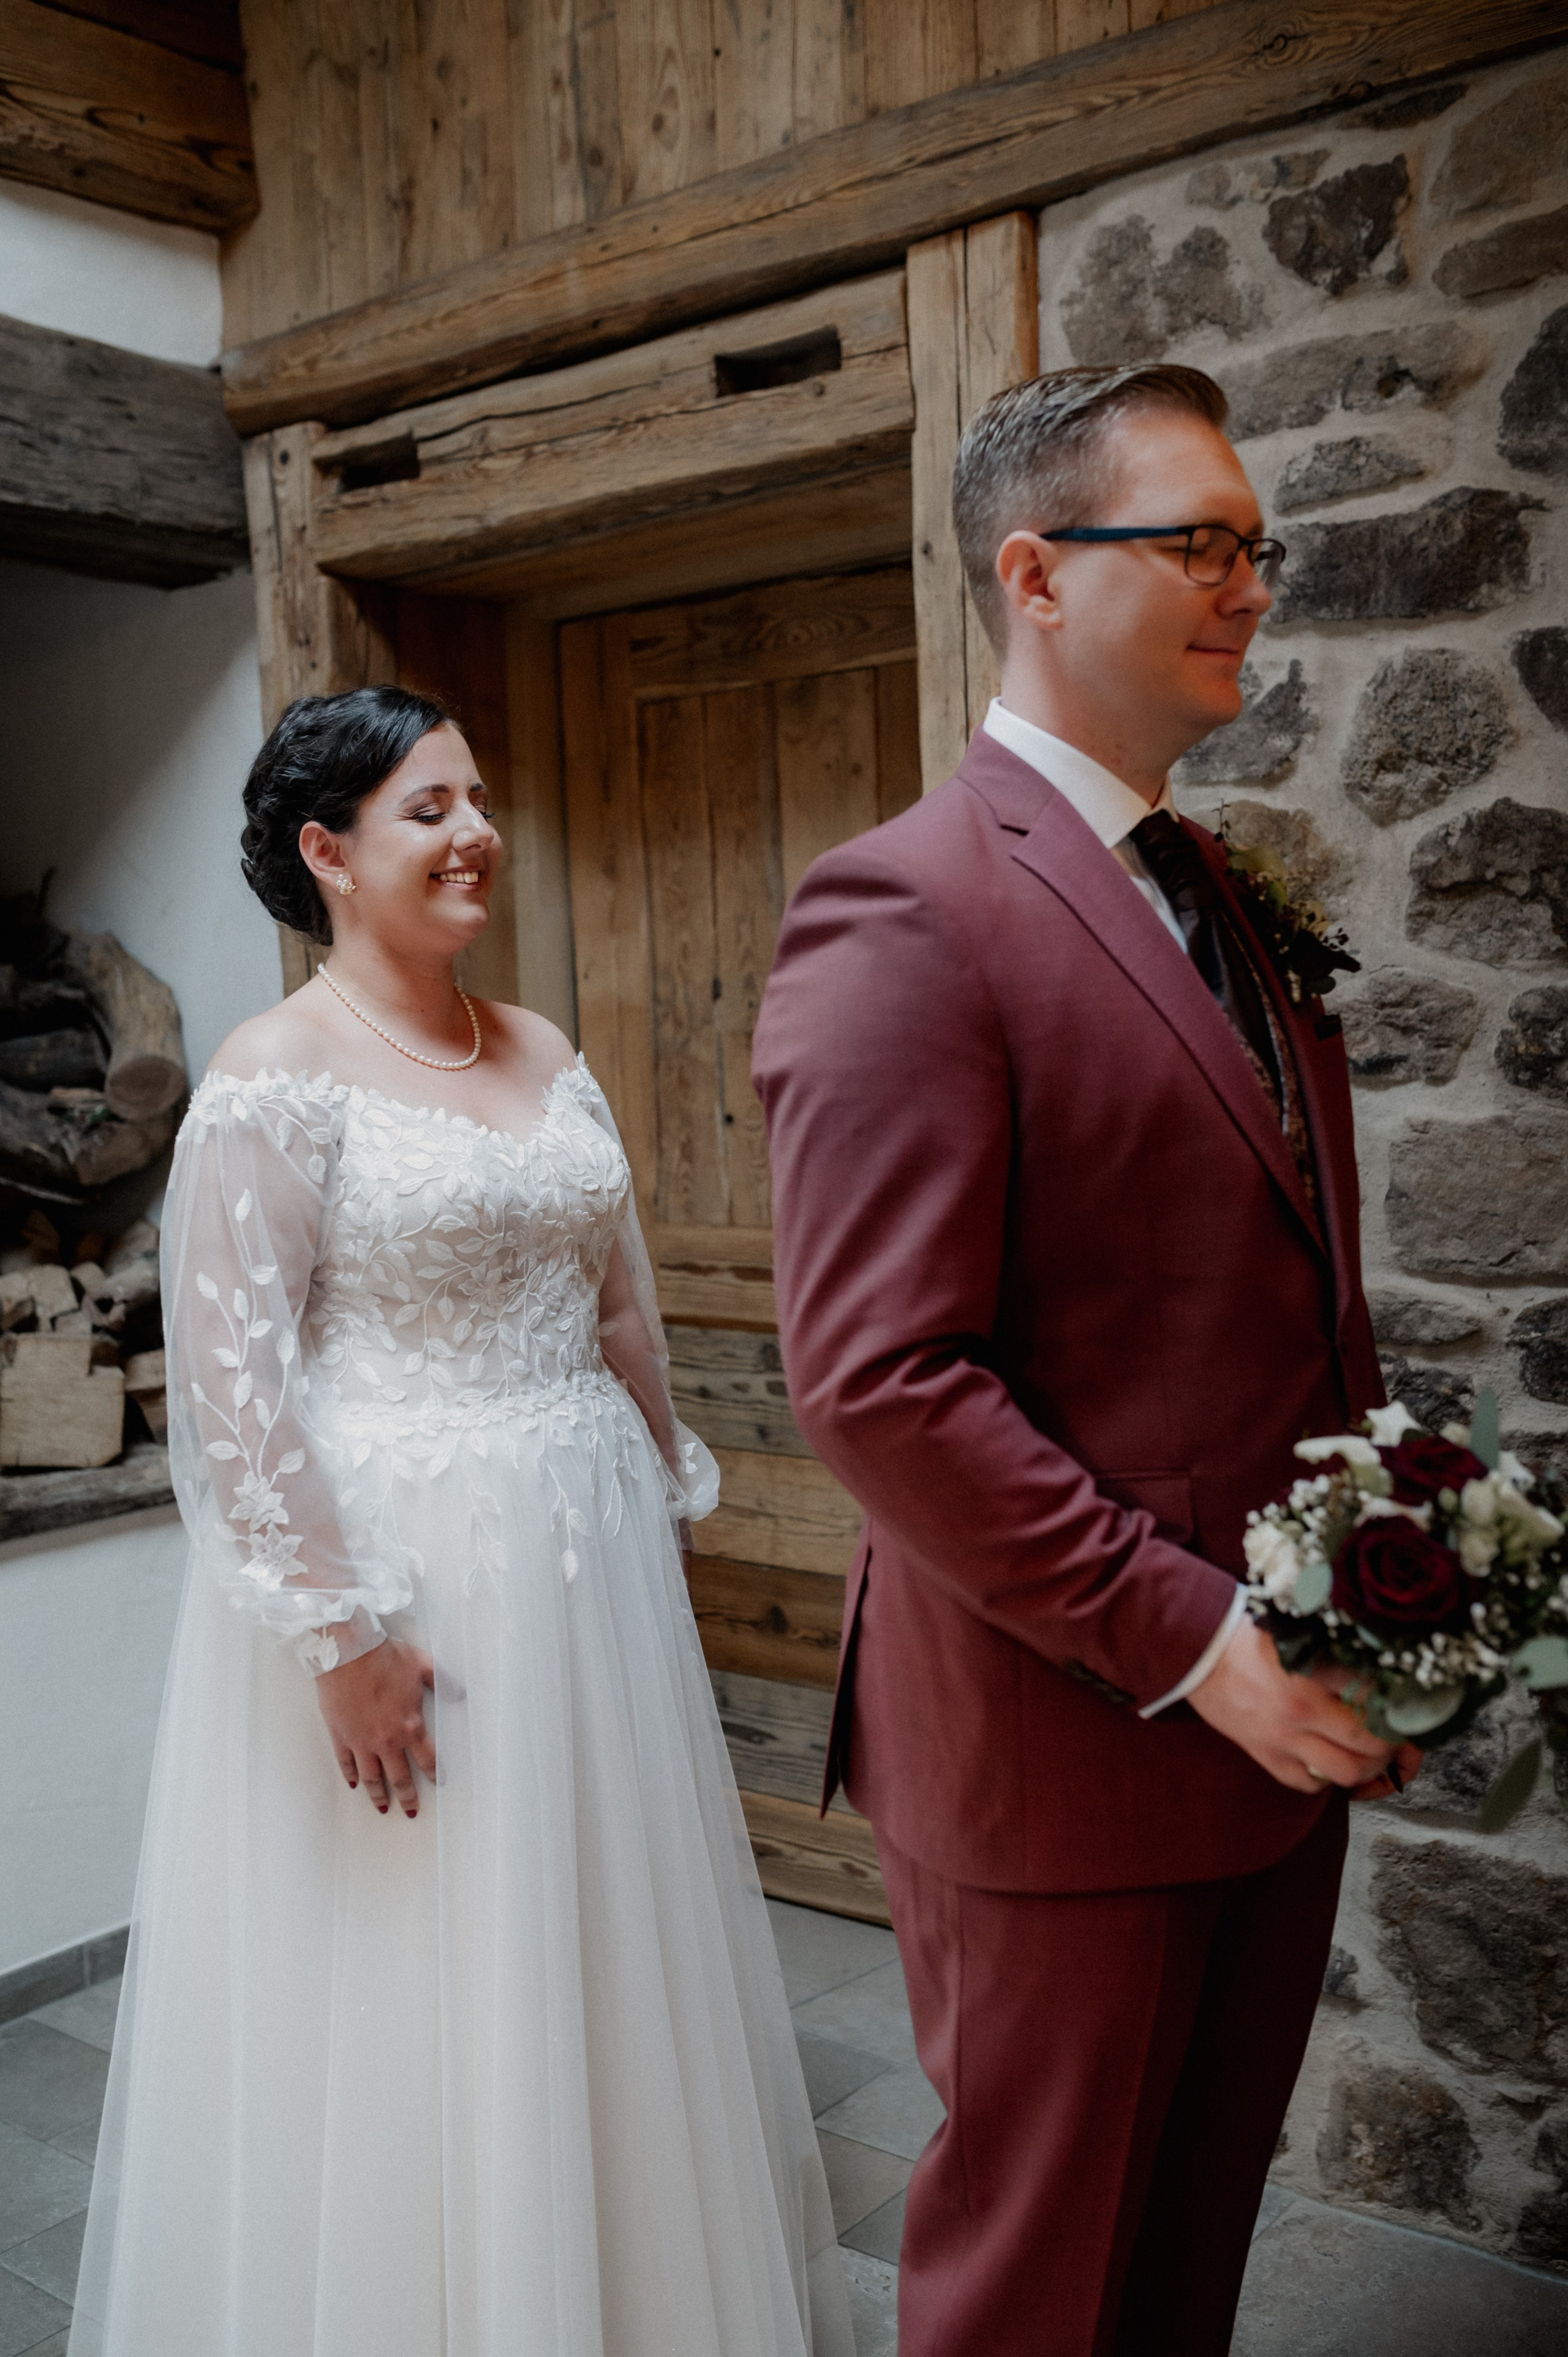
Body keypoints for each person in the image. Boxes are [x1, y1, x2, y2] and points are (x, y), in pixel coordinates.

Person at [752, 363, 1419, 2357]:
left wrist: (1369, 1600)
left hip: (1275, 1739)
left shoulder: (1220, 894)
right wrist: (1205, 1645)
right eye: (1200, 544)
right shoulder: (903, 908)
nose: (1250, 585)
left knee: (1182, 2271)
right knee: (1038, 2296)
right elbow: (881, 1382)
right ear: (1036, 576)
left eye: (1255, 547)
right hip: (1072, 1739)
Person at [70, 687, 851, 2357]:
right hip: (414, 1568)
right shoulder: (273, 1080)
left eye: (477, 798)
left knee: (600, 1946)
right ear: (327, 852)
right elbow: (235, 1390)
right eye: (431, 808)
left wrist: (667, 1494)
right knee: (432, 1965)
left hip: (587, 1565)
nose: (476, 830)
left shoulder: (546, 1049)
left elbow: (622, 1309)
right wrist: (340, 1639)